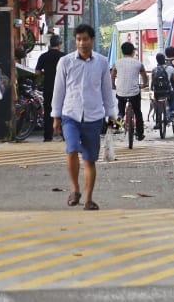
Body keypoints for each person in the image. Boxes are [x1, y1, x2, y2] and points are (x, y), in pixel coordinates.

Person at [52, 23, 117, 211]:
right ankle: (75, 189)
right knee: (71, 149)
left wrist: (111, 114)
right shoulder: (65, 62)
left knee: (89, 159)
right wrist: (56, 116)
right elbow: (59, 90)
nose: (82, 43)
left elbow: (106, 90)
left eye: (85, 39)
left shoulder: (102, 62)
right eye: (79, 39)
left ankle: (88, 199)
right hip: (70, 115)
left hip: (94, 117)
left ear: (92, 40)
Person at [111, 41, 147, 141]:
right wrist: (145, 84)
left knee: (120, 110)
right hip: (134, 93)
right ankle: (139, 133)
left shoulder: (116, 63)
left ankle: (118, 122)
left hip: (121, 92)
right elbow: (144, 76)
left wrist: (113, 85)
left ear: (122, 52)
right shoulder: (138, 63)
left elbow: (112, 76)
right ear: (133, 52)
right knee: (138, 112)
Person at [35, 34, 64, 142]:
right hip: (62, 88)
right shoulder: (64, 57)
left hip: (48, 88)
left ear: (50, 44)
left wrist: (46, 73)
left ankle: (48, 136)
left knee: (48, 111)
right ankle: (65, 134)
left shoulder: (43, 56)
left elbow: (37, 72)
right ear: (59, 45)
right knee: (63, 111)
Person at [151, 52, 174, 130]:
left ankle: (157, 122)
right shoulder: (170, 68)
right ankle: (173, 111)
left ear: (157, 60)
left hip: (157, 92)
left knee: (157, 104)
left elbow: (153, 81)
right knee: (172, 98)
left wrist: (151, 89)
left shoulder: (154, 69)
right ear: (165, 60)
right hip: (167, 91)